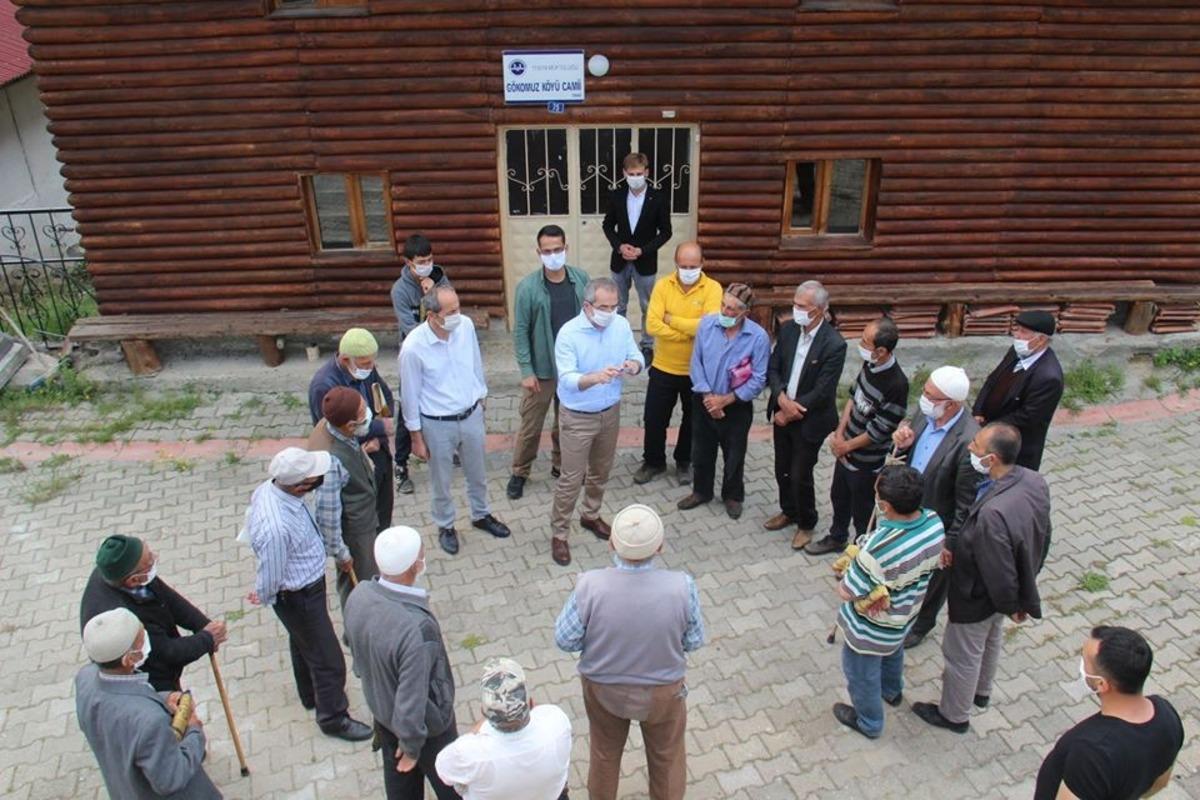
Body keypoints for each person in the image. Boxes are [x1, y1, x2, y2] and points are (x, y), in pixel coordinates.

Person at [555, 504, 705, 800]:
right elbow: (694, 640)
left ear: (611, 543)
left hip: (604, 689)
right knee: (667, 757)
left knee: (604, 754)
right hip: (663, 692)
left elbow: (565, 639)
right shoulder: (682, 586)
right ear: (660, 547)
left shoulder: (589, 585)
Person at [912, 422, 1051, 734]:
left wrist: (1012, 604)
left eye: (976, 446)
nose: (970, 449)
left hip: (978, 593)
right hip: (1010, 587)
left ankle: (954, 714)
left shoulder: (992, 516)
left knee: (961, 653)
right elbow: (1044, 531)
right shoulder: (1032, 481)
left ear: (992, 459)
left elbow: (996, 570)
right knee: (990, 638)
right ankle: (980, 691)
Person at [242, 446, 372, 742]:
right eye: (314, 477)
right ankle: (333, 717)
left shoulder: (273, 489)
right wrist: (264, 594)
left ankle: (310, 693)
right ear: (301, 485)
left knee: (304, 642)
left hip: (305, 589)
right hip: (297, 595)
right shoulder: (276, 527)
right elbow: (272, 572)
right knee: (329, 659)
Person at [344, 526, 459, 800]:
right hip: (427, 729)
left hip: (384, 716)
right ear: (413, 567)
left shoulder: (359, 594)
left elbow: (352, 644)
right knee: (454, 790)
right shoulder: (417, 628)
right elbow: (412, 697)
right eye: (421, 555)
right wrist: (410, 747)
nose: (424, 558)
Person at [831, 465, 945, 739]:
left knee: (861, 671)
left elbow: (847, 591)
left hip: (871, 627)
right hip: (907, 612)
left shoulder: (878, 548)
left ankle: (868, 721)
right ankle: (891, 691)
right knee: (893, 651)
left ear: (885, 505)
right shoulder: (934, 522)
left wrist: (849, 567)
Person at [400, 284, 510, 555]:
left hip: (471, 413)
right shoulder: (413, 347)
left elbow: (475, 361)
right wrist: (416, 437)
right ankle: (445, 524)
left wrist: (481, 395)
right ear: (432, 315)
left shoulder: (466, 327)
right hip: (437, 423)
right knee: (441, 479)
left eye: (458, 308)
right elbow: (410, 395)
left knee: (478, 472)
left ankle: (481, 514)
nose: (457, 315)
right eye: (451, 311)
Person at [76, 608, 221, 799]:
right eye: (141, 638)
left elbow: (118, 706)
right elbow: (171, 778)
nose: (146, 638)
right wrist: (194, 731)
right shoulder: (149, 722)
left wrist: (162, 699)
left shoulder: (85, 678)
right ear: (130, 659)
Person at [550, 276, 645, 566]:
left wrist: (634, 365)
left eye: (614, 306)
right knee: (570, 478)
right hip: (577, 416)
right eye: (604, 306)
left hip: (610, 412)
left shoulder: (620, 325)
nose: (610, 311)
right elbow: (566, 379)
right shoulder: (568, 333)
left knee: (601, 471)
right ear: (588, 306)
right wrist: (594, 378)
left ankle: (590, 515)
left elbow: (636, 354)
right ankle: (559, 533)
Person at [1035, 626, 1184, 800]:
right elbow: (1160, 783)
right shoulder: (1167, 715)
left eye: (1085, 661)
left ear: (1101, 685)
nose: (1082, 665)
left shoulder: (1090, 752)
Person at [891, 366, 982, 649]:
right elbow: (909, 445)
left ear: (952, 404)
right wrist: (902, 442)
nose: (923, 398)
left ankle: (922, 623)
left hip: (937, 522)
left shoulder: (968, 441)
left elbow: (966, 504)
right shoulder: (927, 413)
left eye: (931, 395)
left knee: (935, 580)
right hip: (909, 509)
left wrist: (950, 544)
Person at [808, 316, 909, 556]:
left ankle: (860, 553)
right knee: (838, 496)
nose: (860, 345)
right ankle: (837, 536)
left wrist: (847, 446)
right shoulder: (870, 365)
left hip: (866, 462)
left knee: (863, 510)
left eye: (865, 342)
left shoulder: (897, 384)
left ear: (882, 351)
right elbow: (853, 397)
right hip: (845, 450)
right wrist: (839, 432)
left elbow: (879, 430)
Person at [80, 535, 227, 693]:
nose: (154, 559)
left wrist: (202, 624)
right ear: (133, 580)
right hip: (151, 683)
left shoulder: (117, 573)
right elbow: (167, 652)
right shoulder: (126, 618)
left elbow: (168, 597)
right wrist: (207, 639)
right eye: (150, 560)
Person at [507, 224, 589, 501]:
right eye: (547, 251)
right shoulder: (528, 287)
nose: (553, 255)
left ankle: (560, 465)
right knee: (531, 426)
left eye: (558, 249)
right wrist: (526, 370)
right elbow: (520, 332)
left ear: (567, 248)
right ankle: (519, 472)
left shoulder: (581, 279)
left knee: (567, 423)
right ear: (538, 252)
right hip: (541, 371)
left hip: (572, 369)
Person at [765, 280, 848, 550]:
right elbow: (774, 368)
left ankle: (806, 522)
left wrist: (790, 411)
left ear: (820, 310)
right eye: (795, 304)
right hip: (783, 410)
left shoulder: (834, 344)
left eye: (803, 306)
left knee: (800, 473)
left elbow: (823, 390)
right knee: (782, 468)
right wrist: (779, 397)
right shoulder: (789, 330)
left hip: (809, 420)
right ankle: (788, 510)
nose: (796, 310)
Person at [676, 282, 770, 520]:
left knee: (734, 454)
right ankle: (701, 491)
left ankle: (733, 496)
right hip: (704, 400)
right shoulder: (707, 324)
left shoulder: (758, 337)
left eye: (732, 310)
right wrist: (709, 398)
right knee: (701, 451)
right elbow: (695, 362)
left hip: (736, 405)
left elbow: (759, 378)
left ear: (745, 313)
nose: (726, 312)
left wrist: (726, 401)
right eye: (724, 306)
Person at [633, 241, 722, 487]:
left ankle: (684, 461)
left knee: (692, 420)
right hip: (663, 366)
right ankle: (653, 461)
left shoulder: (713, 289)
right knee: (653, 418)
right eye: (683, 265)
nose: (688, 269)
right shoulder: (663, 285)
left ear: (703, 264)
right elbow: (651, 325)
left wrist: (671, 320)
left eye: (693, 265)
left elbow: (710, 326)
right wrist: (689, 331)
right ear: (675, 264)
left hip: (697, 370)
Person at [435, 658, 573, 800]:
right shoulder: (557, 721)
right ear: (530, 702)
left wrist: (478, 728)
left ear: (484, 712)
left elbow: (444, 772)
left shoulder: (469, 753)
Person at [308, 327, 398, 525]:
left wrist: (379, 430)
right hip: (351, 461)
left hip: (376, 449)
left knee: (384, 508)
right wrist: (381, 428)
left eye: (372, 361)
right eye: (365, 363)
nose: (371, 367)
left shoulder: (365, 367)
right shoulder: (324, 385)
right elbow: (336, 430)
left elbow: (384, 395)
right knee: (364, 516)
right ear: (345, 359)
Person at [390, 233, 451, 495]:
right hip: (414, 356)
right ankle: (401, 465)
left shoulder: (440, 277)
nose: (427, 264)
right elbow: (412, 330)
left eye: (429, 259)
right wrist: (429, 301)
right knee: (408, 410)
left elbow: (449, 311)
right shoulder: (400, 290)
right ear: (408, 262)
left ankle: (448, 448)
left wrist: (435, 292)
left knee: (444, 400)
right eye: (421, 261)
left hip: (441, 352)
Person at [309, 386, 378, 609]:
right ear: (350, 425)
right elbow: (327, 515)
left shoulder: (340, 432)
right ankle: (356, 633)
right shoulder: (332, 463)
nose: (368, 414)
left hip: (366, 521)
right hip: (355, 533)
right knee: (357, 586)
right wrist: (341, 553)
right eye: (363, 412)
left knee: (370, 578)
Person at [972, 309, 1064, 470]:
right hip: (989, 431)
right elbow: (993, 380)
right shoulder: (1017, 351)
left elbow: (1027, 417)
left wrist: (989, 428)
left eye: (1023, 332)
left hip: (1016, 450)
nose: (1017, 335)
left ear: (1041, 339)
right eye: (1017, 329)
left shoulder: (1048, 377)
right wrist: (978, 410)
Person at [602, 152, 673, 357]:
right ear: (624, 173)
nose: (635, 177)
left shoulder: (658, 198)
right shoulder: (616, 195)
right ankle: (619, 342)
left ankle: (647, 344)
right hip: (620, 260)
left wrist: (643, 250)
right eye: (631, 173)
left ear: (647, 172)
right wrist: (619, 246)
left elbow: (666, 231)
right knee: (618, 304)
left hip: (646, 261)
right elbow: (608, 225)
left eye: (639, 173)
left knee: (648, 306)